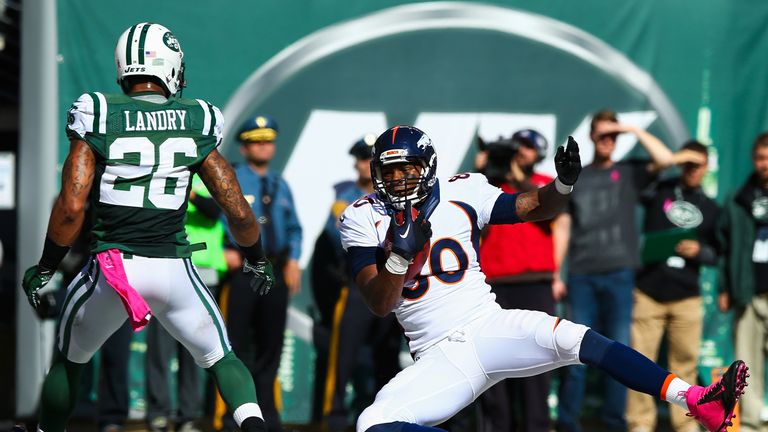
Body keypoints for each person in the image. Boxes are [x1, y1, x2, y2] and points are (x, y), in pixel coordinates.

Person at [338, 125, 747, 432]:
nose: (398, 180)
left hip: (487, 324)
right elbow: (379, 302)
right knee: (373, 423)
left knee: (577, 338)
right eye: (389, 171)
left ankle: (696, 400)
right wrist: (399, 259)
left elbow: (533, 205)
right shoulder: (362, 215)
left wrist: (562, 185)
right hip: (438, 353)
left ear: (427, 167)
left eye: (407, 169)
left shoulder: (463, 190)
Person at [20, 22, 274, 432]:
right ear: (171, 66)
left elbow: (71, 207)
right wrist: (257, 258)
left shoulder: (99, 111)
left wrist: (47, 265)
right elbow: (239, 212)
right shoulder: (196, 117)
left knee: (69, 362)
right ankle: (254, 425)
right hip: (173, 268)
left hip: (113, 270)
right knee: (221, 358)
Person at [557, 109, 707, 432]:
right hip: (582, 275)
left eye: (613, 135)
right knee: (573, 354)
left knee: (619, 354)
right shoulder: (577, 177)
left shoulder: (629, 172)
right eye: (602, 134)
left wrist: (630, 130)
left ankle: (615, 424)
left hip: (620, 275)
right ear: (591, 136)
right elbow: (564, 225)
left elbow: (665, 159)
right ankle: (568, 424)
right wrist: (557, 272)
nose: (607, 140)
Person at [476, 129, 566, 432]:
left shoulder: (543, 184)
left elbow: (551, 211)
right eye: (517, 147)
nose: (521, 152)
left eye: (528, 147)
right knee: (494, 368)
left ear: (538, 153)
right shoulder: (488, 186)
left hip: (535, 284)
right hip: (494, 286)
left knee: (537, 364)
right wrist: (481, 171)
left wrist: (516, 177)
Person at [626, 140, 720, 432]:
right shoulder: (660, 190)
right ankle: (640, 423)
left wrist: (700, 251)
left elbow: (717, 254)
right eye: (688, 164)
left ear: (707, 168)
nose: (692, 170)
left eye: (698, 165)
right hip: (649, 292)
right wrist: (676, 158)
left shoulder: (711, 207)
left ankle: (685, 425)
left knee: (685, 365)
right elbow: (639, 181)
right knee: (640, 363)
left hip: (687, 296)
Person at [311, 135, 402, 431]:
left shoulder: (398, 194)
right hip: (357, 284)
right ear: (356, 164)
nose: (367, 164)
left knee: (387, 357)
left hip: (392, 282)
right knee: (343, 357)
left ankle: (386, 420)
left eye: (372, 158)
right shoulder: (345, 197)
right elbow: (337, 236)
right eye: (363, 158)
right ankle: (334, 420)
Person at [223, 115, 302, 432]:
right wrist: (224, 247)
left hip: (275, 270)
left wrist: (294, 259)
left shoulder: (280, 184)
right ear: (244, 147)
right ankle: (232, 419)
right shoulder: (232, 179)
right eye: (256, 142)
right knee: (236, 347)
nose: (263, 147)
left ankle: (268, 418)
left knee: (271, 348)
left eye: (267, 141)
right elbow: (221, 217)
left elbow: (294, 227)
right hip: (244, 270)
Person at [145, 174, 228, 432]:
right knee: (159, 348)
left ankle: (188, 415)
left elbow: (214, 210)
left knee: (195, 348)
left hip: (203, 274)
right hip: (165, 269)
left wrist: (187, 191)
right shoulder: (160, 175)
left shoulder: (210, 177)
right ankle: (158, 413)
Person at [718, 132, 768, 432]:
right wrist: (725, 287)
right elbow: (724, 246)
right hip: (748, 291)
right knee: (747, 362)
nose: (765, 163)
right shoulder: (739, 198)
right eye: (761, 158)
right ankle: (750, 424)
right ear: (753, 159)